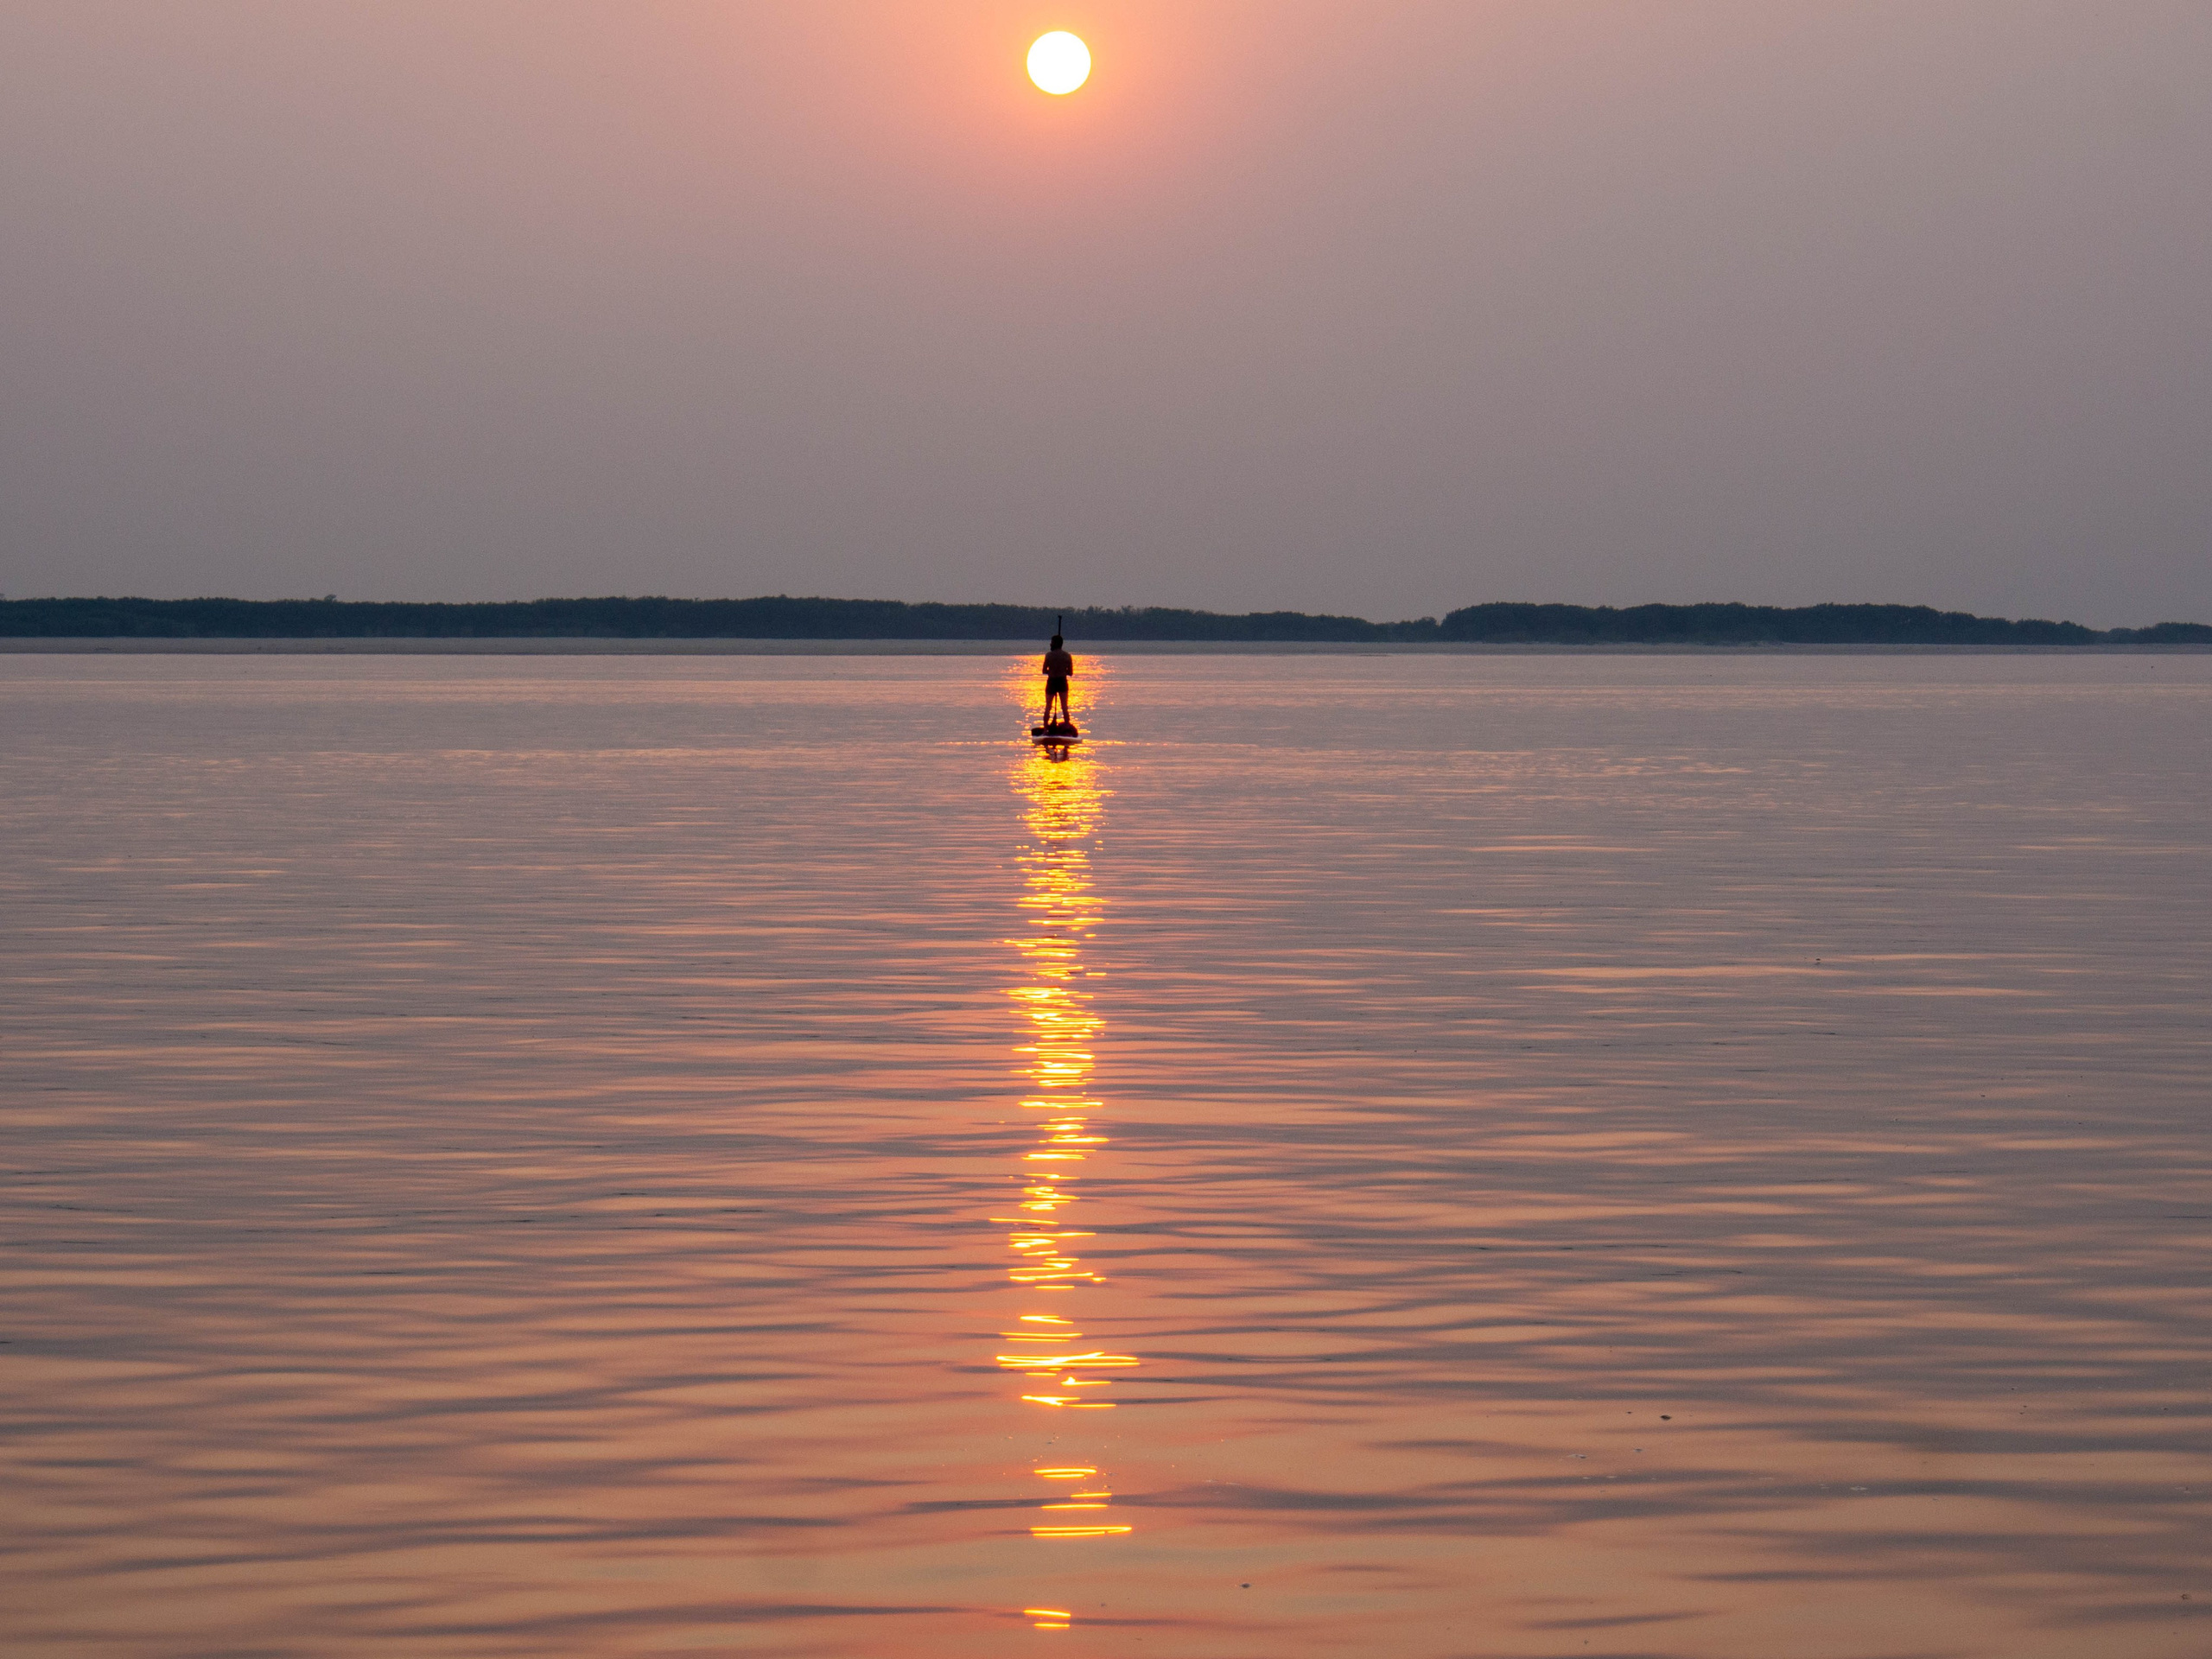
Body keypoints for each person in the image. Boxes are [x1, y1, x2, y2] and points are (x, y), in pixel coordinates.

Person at [1040, 630, 1074, 729]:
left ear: (1055, 643)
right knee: (1064, 707)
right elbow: (1070, 673)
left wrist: (1052, 671)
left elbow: (1044, 671)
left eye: (1051, 642)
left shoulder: (1049, 655)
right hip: (1062, 682)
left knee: (1048, 707)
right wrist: (1063, 671)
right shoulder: (1067, 656)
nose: (1050, 644)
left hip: (1052, 681)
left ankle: (1045, 729)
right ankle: (1067, 727)